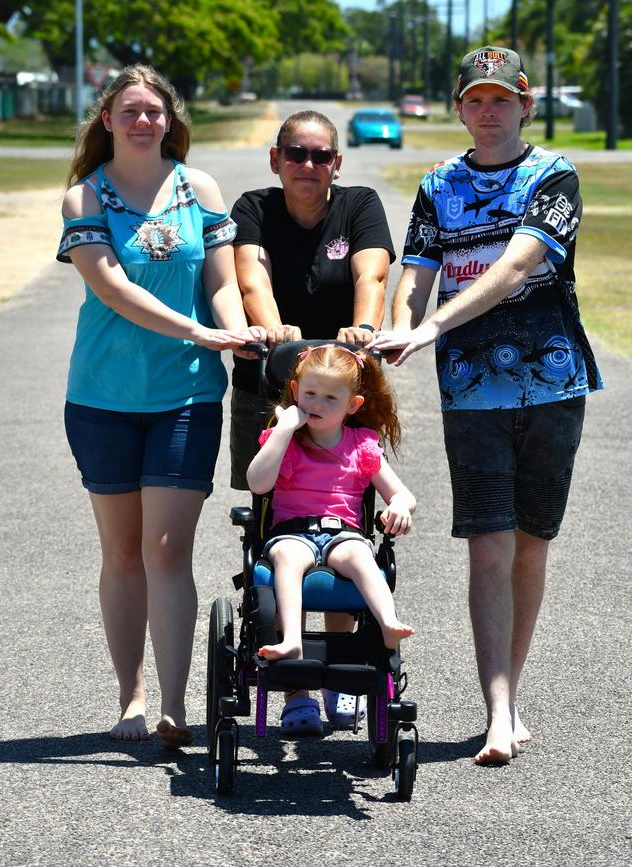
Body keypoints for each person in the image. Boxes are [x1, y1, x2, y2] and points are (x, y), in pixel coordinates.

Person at [370, 46, 603, 765]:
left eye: (503, 99)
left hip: (553, 385)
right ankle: (496, 710)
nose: (488, 111)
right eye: (476, 100)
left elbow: (515, 266)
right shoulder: (438, 185)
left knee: (531, 542)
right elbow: (417, 272)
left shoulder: (552, 175)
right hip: (471, 392)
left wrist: (434, 324)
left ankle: (512, 692)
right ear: (460, 107)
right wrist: (403, 327)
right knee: (490, 544)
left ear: (526, 105)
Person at [56, 65, 264, 748]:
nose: (145, 121)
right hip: (102, 397)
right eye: (131, 111)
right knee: (121, 552)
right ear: (108, 119)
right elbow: (110, 287)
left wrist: (234, 332)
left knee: (167, 548)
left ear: (170, 120)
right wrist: (198, 328)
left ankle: (175, 705)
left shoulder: (196, 188)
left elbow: (222, 282)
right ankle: (131, 697)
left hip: (187, 393)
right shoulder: (85, 197)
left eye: (156, 112)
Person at [230, 109, 396, 728]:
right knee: (274, 516)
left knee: (350, 512)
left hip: (342, 380)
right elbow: (253, 276)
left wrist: (365, 329)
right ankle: (295, 684)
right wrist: (273, 329)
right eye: (295, 154)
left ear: (336, 164)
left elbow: (371, 272)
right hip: (270, 382)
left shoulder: (358, 205)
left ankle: (346, 670)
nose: (307, 165)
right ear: (276, 160)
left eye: (320, 155)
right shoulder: (254, 206)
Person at [247, 344, 416, 735]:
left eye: (330, 397)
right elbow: (257, 483)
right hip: (292, 531)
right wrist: (284, 429)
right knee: (288, 557)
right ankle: (291, 641)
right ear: (293, 391)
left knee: (361, 556)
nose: (317, 404)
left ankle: (387, 623)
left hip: (342, 532)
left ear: (352, 404)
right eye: (309, 394)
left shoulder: (361, 446)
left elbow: (401, 494)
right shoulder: (285, 439)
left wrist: (401, 508)